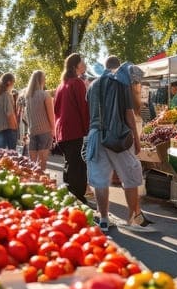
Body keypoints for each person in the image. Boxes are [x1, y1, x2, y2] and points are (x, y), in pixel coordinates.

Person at [85, 56, 153, 232]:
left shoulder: (92, 86)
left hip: (95, 135)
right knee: (129, 176)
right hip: (118, 135)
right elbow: (129, 114)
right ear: (118, 67)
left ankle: (104, 218)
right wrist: (137, 140)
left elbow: (90, 113)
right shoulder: (121, 82)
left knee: (100, 179)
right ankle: (133, 218)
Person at [54, 53, 90, 204]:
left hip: (62, 130)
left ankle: (69, 194)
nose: (85, 63)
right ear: (76, 66)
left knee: (70, 162)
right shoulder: (77, 83)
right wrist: (87, 128)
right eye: (83, 61)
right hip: (73, 129)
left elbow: (56, 109)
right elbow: (83, 107)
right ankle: (77, 197)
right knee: (77, 165)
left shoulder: (62, 84)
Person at [24, 70, 55, 171]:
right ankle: (41, 183)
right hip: (45, 131)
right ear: (42, 80)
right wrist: (53, 130)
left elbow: (26, 116)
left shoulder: (27, 96)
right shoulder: (45, 95)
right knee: (42, 163)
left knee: (32, 163)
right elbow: (51, 115)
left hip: (32, 131)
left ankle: (34, 182)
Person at [0, 73, 18, 150]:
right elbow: (9, 114)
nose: (14, 84)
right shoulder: (6, 95)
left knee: (0, 155)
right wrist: (14, 128)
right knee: (11, 155)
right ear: (9, 82)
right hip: (7, 128)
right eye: (14, 82)